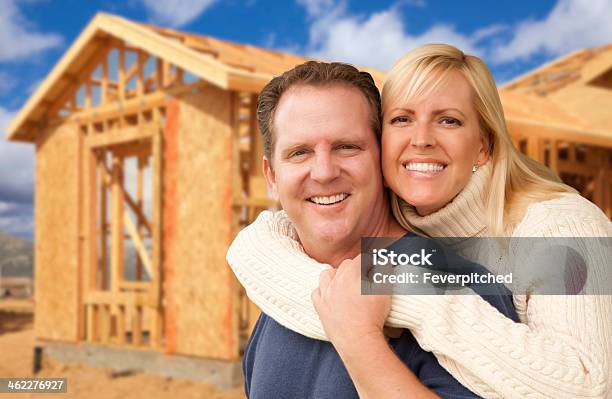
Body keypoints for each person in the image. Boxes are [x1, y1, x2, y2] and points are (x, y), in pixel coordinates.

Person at [227, 44, 612, 398]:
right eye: (402, 119)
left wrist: (372, 325)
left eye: (348, 146)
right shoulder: (285, 284)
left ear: (484, 144)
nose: (421, 140)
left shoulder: (557, 230)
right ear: (271, 176)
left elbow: (587, 385)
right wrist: (250, 250)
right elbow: (262, 245)